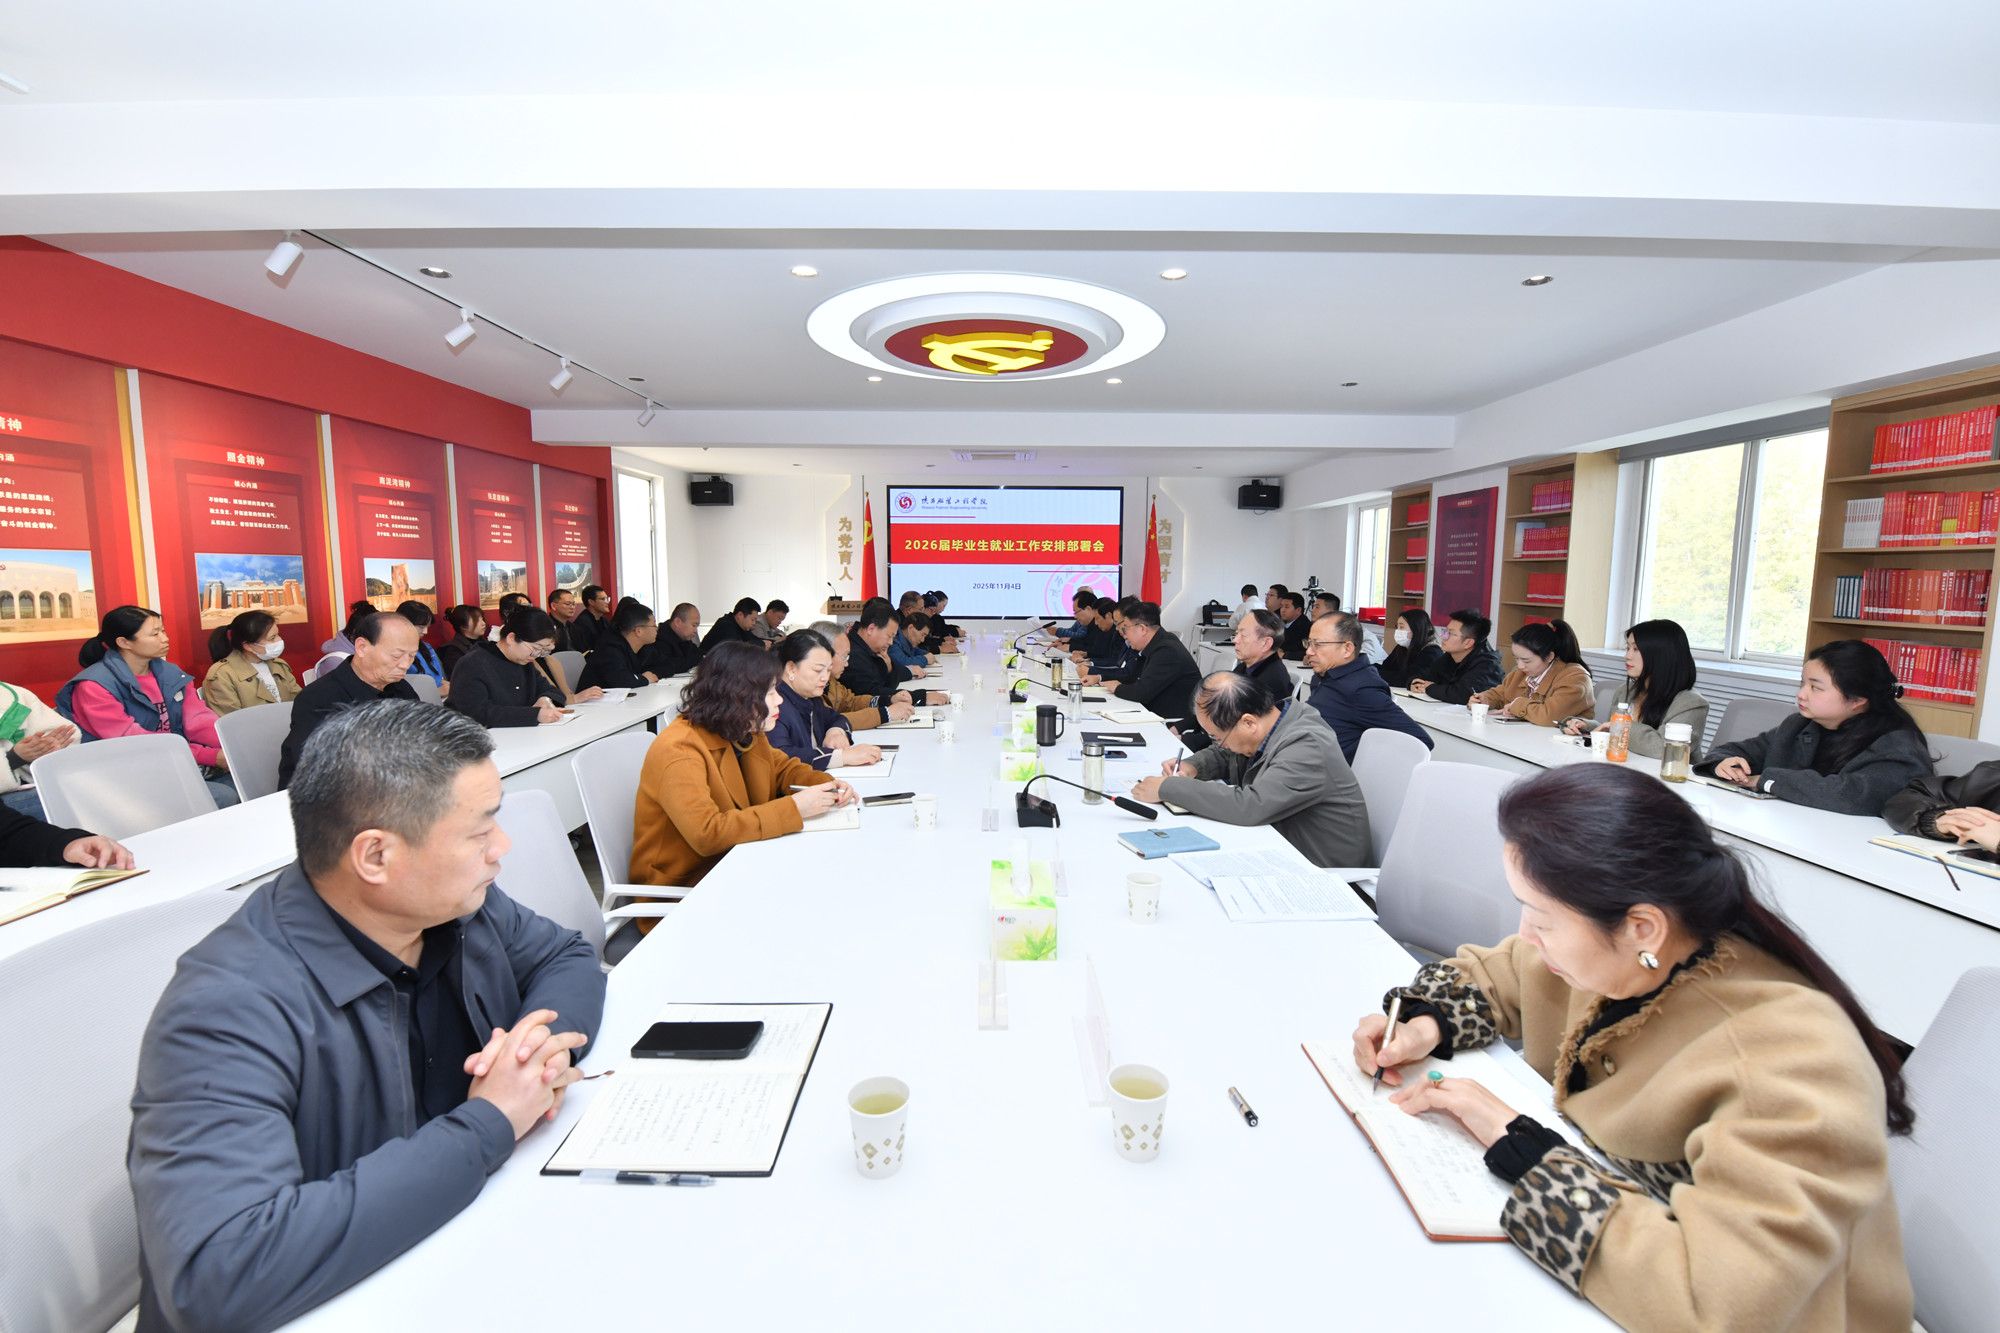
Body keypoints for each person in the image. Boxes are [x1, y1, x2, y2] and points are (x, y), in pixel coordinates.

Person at [1352, 763, 1912, 1329]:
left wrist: (1522, 1149)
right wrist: (1425, 1022)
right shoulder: (1632, 952)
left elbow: (1719, 1305)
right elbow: (1508, 971)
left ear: (1642, 927)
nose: (1526, 934)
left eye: (1543, 918)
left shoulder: (1790, 1060)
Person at [128, 701, 605, 1333]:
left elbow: (565, 955)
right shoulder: (227, 1009)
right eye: (480, 830)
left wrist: (535, 1052)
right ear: (375, 856)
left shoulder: (456, 907)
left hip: (452, 1250)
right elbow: (222, 1274)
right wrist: (490, 1121)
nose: (503, 848)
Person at [629, 641, 856, 887]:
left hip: (736, 862)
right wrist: (795, 808)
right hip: (688, 885)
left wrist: (827, 785)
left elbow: (784, 769)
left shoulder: (744, 728)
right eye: (770, 692)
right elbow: (707, 834)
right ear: (738, 696)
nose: (779, 700)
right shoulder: (679, 749)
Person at [1130, 672, 1371, 867]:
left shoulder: (1307, 745)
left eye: (1217, 737)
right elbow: (1226, 753)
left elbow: (1251, 805)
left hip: (1320, 868)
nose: (1218, 744)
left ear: (1248, 722)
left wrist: (1169, 787)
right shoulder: (1271, 724)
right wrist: (1193, 766)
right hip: (1279, 845)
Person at [1696, 640, 1933, 814]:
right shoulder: (1799, 725)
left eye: (1815, 688)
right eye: (1802, 683)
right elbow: (1731, 750)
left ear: (1857, 700)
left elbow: (1850, 795)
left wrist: (1764, 780)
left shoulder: (1898, 745)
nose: (1801, 694)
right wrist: (1722, 764)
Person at [56, 605, 239, 809]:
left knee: (250, 780)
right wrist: (209, 756)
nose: (165, 638)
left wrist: (233, 744)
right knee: (223, 796)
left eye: (163, 630)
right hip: (125, 773)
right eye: (155, 634)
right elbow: (135, 744)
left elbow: (198, 719)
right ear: (124, 642)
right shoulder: (93, 686)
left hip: (175, 761)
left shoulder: (171, 673)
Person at [278, 612, 421, 787]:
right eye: (396, 656)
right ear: (362, 647)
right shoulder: (318, 698)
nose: (405, 664)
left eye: (412, 656)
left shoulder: (401, 688)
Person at [1560, 619, 1709, 758]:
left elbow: (1662, 749)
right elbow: (1613, 732)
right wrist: (1585, 726)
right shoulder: (1625, 691)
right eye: (1628, 648)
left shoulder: (1691, 703)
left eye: (1636, 649)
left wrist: (1620, 727)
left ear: (1661, 655)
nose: (1627, 656)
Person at [1304, 611, 1434, 763]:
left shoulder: (1360, 690)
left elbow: (1421, 740)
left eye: (1318, 644)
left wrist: (1365, 765)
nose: (1309, 651)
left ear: (1347, 649)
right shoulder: (1323, 676)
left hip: (1325, 771)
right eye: (1309, 643)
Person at [770, 629, 886, 770]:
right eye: (818, 670)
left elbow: (837, 718)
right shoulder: (773, 705)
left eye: (828, 670)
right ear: (791, 669)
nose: (825, 678)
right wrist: (842, 757)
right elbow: (780, 756)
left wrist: (835, 732)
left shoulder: (811, 698)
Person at [447, 607, 570, 729]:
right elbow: (477, 714)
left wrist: (545, 699)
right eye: (535, 648)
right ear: (511, 638)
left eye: (542, 650)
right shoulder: (472, 664)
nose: (536, 655)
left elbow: (553, 691)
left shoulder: (523, 661)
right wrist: (534, 715)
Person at [1468, 620, 1594, 727]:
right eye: (1516, 659)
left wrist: (1517, 705)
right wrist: (1484, 699)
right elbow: (1500, 694)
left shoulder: (1575, 677)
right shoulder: (1520, 673)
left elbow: (1548, 716)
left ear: (1549, 657)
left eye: (1526, 660)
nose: (1520, 666)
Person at [1099, 601, 1200, 726]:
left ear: (1142, 629)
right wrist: (1103, 679)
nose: (1124, 635)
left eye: (1126, 628)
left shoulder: (1167, 650)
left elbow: (1142, 692)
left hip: (1173, 724)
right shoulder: (1156, 644)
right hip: (1154, 713)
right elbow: (1134, 677)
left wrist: (1117, 687)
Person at [810, 620, 915, 729]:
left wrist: (888, 700)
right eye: (844, 656)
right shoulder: (809, 688)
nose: (847, 664)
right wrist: (885, 714)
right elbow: (829, 721)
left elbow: (851, 702)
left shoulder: (831, 682)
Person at [0, 678, 79, 820]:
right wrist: (14, 758)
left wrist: (46, 748)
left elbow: (64, 732)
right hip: (10, 799)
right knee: (69, 800)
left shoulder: (13, 695)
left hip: (35, 784)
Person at [200, 609, 302, 717]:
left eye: (277, 634)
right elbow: (231, 722)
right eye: (272, 638)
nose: (279, 640)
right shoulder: (221, 675)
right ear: (248, 646)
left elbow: (301, 701)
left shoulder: (278, 665)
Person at [843, 601, 947, 706]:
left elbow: (888, 686)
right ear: (871, 629)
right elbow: (871, 695)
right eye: (889, 636)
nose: (891, 642)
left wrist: (889, 668)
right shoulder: (851, 653)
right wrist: (920, 697)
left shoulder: (870, 647)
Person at [1408, 609, 1504, 703]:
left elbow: (1462, 695)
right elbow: (1425, 677)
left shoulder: (1488, 665)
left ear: (1468, 643)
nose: (1443, 636)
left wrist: (1429, 687)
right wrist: (1414, 683)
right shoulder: (1450, 655)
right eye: (1445, 631)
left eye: (1450, 633)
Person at [577, 597, 660, 690]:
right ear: (638, 631)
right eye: (654, 625)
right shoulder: (610, 648)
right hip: (593, 698)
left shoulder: (634, 648)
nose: (657, 629)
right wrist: (645, 679)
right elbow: (622, 680)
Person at [1231, 609, 1293, 701]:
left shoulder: (1270, 683)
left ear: (1265, 643)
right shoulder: (1244, 667)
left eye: (1243, 635)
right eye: (1237, 633)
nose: (1235, 640)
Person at [1377, 608, 1444, 689]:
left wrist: (1374, 673)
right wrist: (1368, 668)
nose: (1397, 631)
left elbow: (1409, 679)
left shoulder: (1431, 651)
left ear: (1416, 629)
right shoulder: (1402, 646)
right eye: (1397, 627)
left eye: (1401, 627)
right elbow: (1386, 667)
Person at [397, 600, 448, 695]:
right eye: (421, 627)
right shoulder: (394, 652)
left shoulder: (426, 647)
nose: (425, 632)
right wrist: (435, 692)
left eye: (428, 626)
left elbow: (440, 677)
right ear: (404, 623)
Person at [645, 601, 705, 678]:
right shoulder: (658, 638)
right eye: (694, 625)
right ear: (677, 622)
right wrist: (692, 660)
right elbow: (669, 665)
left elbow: (698, 655)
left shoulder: (683, 637)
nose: (695, 631)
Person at [434, 604, 490, 679]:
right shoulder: (453, 651)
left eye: (482, 619)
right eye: (476, 620)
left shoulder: (485, 643)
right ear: (463, 626)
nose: (483, 623)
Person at [889, 611, 937, 675]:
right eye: (922, 634)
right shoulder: (893, 639)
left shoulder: (907, 641)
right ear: (910, 628)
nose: (922, 640)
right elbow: (902, 662)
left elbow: (915, 650)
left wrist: (927, 654)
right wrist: (925, 659)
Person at [568, 584, 612, 655]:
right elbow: (586, 652)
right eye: (603, 599)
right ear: (591, 602)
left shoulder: (604, 620)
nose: (607, 602)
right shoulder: (581, 624)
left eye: (607, 599)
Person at [545, 587, 583, 653]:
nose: (572, 607)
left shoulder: (574, 627)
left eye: (573, 604)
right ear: (553, 606)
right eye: (567, 604)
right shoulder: (545, 627)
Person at [1276, 591, 1310, 660]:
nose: (1282, 610)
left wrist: (1284, 654)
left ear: (1298, 610)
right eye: (1281, 606)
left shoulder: (1306, 627)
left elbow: (1307, 652)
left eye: (1287, 607)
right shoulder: (1280, 623)